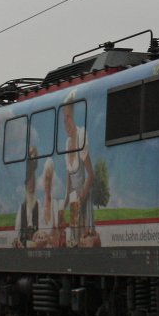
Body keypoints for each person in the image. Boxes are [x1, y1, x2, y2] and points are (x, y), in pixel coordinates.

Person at [61, 91, 97, 247]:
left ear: (73, 116)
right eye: (64, 120)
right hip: (74, 200)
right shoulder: (67, 144)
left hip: (83, 196)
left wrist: (81, 198)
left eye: (68, 117)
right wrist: (65, 203)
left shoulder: (81, 135)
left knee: (84, 238)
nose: (66, 123)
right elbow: (69, 183)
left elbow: (91, 174)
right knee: (74, 241)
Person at [14, 148, 39, 247]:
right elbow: (17, 229)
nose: (31, 184)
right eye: (29, 182)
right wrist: (19, 241)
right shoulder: (22, 207)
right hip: (24, 243)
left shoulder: (38, 205)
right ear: (26, 185)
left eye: (33, 182)